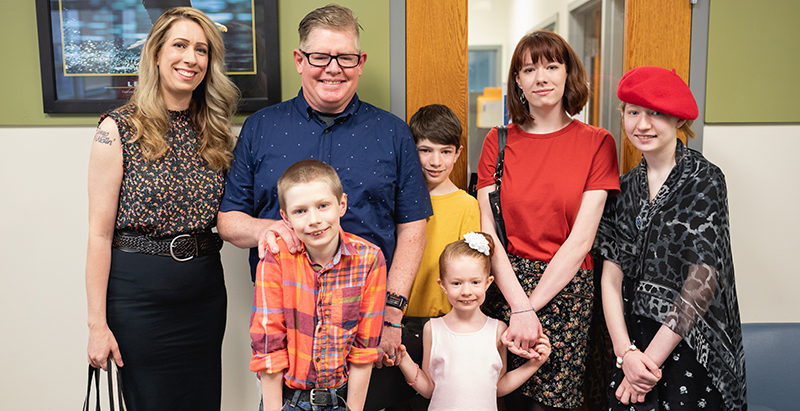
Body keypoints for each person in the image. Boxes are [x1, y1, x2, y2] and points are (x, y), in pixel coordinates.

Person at [217, 4, 430, 376]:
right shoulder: (261, 128)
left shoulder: (393, 133)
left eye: (345, 57)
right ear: (299, 59)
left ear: (361, 61)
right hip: (284, 316)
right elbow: (229, 220)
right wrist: (267, 229)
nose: (333, 68)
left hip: (371, 314)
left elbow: (413, 226)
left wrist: (393, 313)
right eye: (320, 56)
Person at [85, 7, 239, 411]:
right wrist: (96, 325)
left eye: (201, 50)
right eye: (180, 45)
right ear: (156, 54)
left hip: (204, 298)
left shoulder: (217, 131)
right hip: (139, 302)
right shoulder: (117, 129)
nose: (191, 58)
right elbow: (99, 235)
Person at [475, 30, 620, 410]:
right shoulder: (497, 140)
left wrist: (529, 308)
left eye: (552, 67)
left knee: (551, 404)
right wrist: (517, 307)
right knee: (496, 397)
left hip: (567, 289)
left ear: (568, 74)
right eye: (529, 69)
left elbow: (580, 242)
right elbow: (489, 234)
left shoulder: (598, 143)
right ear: (518, 81)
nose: (541, 78)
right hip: (505, 285)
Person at [596, 66, 746, 410]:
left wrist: (648, 363)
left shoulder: (704, 179)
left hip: (690, 344)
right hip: (633, 345)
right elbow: (610, 278)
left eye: (657, 114)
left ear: (678, 120)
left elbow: (703, 280)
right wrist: (627, 355)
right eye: (633, 113)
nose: (643, 125)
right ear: (622, 116)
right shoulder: (624, 187)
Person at [250, 160, 386, 411]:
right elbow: (269, 347)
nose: (314, 220)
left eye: (323, 206)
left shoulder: (369, 259)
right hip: (288, 402)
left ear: (341, 204)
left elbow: (364, 349)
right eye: (300, 211)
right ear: (285, 217)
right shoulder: (276, 257)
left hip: (343, 401)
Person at [395, 232, 551, 410]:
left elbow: (498, 387)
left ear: (488, 282)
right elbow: (430, 389)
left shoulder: (498, 330)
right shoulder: (433, 328)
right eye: (456, 283)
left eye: (475, 282)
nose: (466, 291)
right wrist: (403, 359)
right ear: (443, 285)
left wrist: (534, 364)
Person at [405, 104, 480, 333]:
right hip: (399, 319)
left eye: (445, 152)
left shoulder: (467, 206)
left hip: (446, 324)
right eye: (425, 150)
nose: (435, 162)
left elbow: (471, 270)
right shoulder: (399, 201)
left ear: (458, 153)